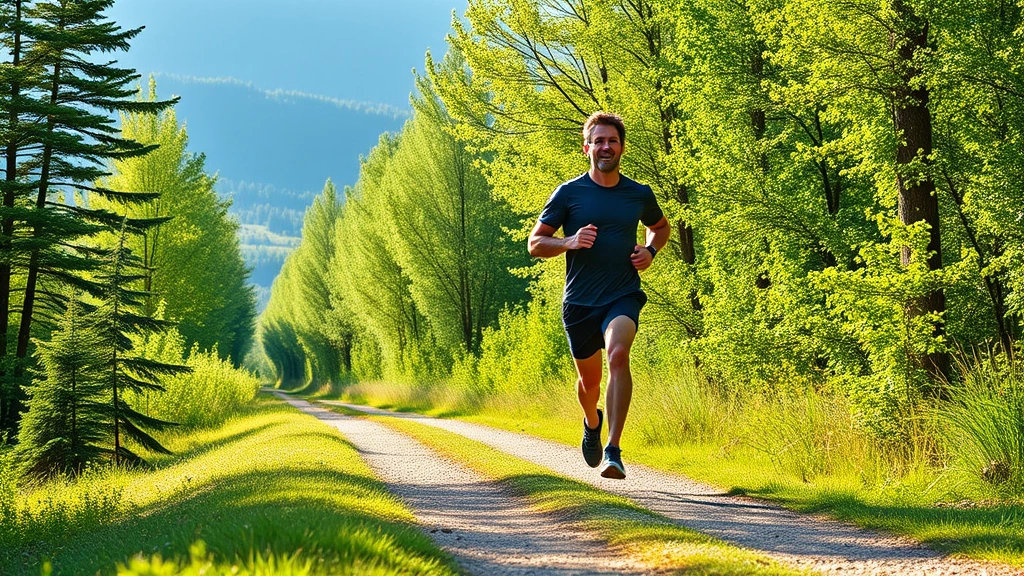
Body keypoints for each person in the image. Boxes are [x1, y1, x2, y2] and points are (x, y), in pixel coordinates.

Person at [527, 111, 670, 479]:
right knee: (589, 384)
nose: (606, 147)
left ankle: (613, 450)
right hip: (579, 304)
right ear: (586, 147)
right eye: (599, 141)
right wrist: (569, 241)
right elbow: (535, 243)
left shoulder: (638, 194)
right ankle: (592, 422)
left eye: (613, 141)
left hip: (622, 294)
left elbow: (660, 227)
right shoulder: (569, 193)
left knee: (619, 355)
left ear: (622, 147)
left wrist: (650, 252)